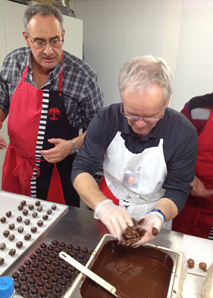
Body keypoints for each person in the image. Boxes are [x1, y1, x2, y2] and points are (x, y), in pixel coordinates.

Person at [71, 55, 198, 246]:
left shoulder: (183, 133)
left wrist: (158, 216)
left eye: (150, 116)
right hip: (108, 205)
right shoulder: (106, 120)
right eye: (131, 113)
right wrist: (104, 206)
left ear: (167, 100)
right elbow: (81, 170)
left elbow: (178, 190)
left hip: (154, 210)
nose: (139, 124)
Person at [0, 4, 103, 207]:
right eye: (39, 42)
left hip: (59, 172)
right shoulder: (13, 62)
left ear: (63, 34)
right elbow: (2, 101)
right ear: (26, 37)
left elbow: (99, 130)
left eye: (55, 41)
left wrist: (72, 145)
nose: (48, 51)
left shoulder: (83, 76)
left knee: (56, 233)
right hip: (16, 166)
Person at [172, 94, 213, 240]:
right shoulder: (196, 109)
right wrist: (188, 177)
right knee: (187, 256)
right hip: (191, 206)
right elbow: (172, 149)